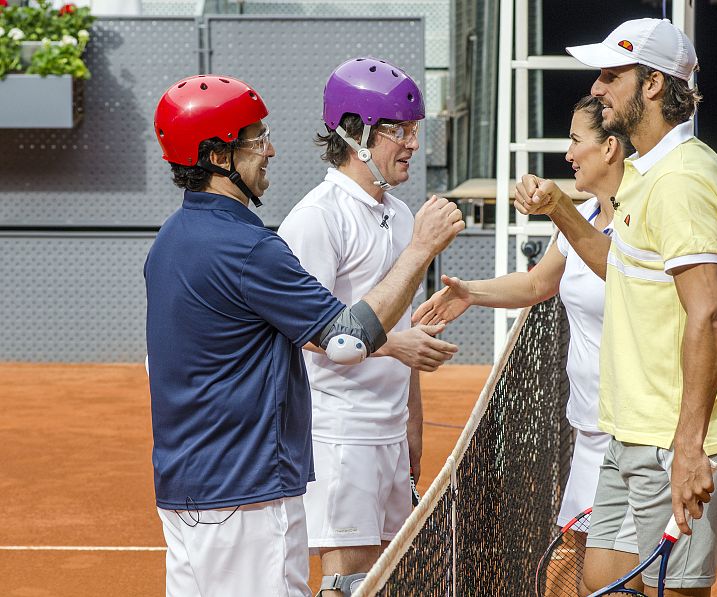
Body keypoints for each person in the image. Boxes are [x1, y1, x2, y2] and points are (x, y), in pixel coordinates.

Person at [145, 74, 463, 597]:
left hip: (187, 487)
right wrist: (419, 251)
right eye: (255, 139)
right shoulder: (250, 249)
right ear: (219, 156)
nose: (269, 150)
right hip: (247, 491)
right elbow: (344, 341)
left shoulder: (170, 239)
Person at [514, 18, 717, 597]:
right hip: (628, 434)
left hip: (673, 440)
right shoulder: (646, 172)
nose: (598, 88)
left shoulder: (678, 180)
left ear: (651, 85)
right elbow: (616, 267)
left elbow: (709, 314)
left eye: (611, 75)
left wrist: (690, 450)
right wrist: (561, 210)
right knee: (602, 585)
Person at [413, 96, 638, 576]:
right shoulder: (587, 217)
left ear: (611, 148)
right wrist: (469, 292)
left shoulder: (640, 216)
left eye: (577, 140)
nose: (568, 154)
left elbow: (618, 274)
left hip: (636, 434)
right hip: (591, 426)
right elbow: (539, 283)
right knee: (579, 565)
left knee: (614, 576)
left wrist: (557, 208)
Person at [276, 57, 459, 596]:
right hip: (339, 434)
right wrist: (393, 346)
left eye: (413, 130)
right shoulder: (317, 217)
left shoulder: (401, 215)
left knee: (386, 581)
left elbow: (405, 333)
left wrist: (413, 426)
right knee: (349, 580)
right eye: (397, 131)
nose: (411, 143)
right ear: (355, 134)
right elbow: (304, 332)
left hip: (389, 433)